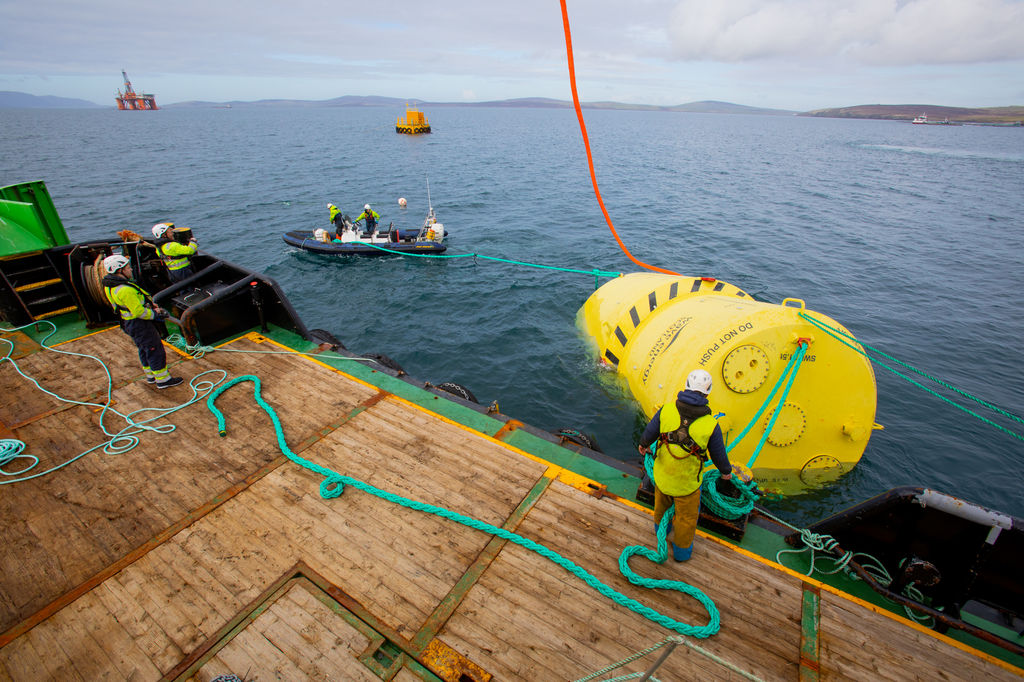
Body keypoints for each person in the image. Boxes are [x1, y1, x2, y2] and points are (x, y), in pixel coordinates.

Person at [638, 368, 734, 562]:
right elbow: (718, 455)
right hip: (687, 485)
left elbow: (649, 432)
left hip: (663, 475)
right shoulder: (710, 425)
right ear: (707, 392)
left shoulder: (666, 410)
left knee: (661, 506)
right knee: (686, 519)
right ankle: (681, 553)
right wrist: (726, 473)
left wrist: (643, 445)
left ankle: (661, 531)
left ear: (687, 387)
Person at [101, 255, 183, 389]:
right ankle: (163, 380)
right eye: (127, 267)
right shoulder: (125, 290)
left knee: (144, 348)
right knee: (154, 349)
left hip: (128, 323)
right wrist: (155, 315)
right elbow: (138, 312)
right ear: (119, 270)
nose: (130, 270)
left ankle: (151, 375)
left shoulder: (110, 286)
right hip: (139, 323)